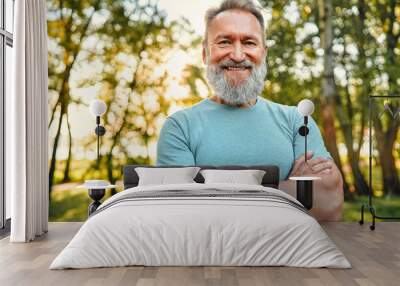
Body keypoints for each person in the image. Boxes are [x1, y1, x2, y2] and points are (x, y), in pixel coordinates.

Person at [156, 0, 343, 221]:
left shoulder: (297, 121)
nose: (237, 55)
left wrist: (217, 194)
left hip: (288, 255)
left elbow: (328, 203)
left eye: (249, 43)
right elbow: (184, 212)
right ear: (205, 53)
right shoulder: (179, 127)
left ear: (264, 53)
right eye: (224, 42)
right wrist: (290, 190)